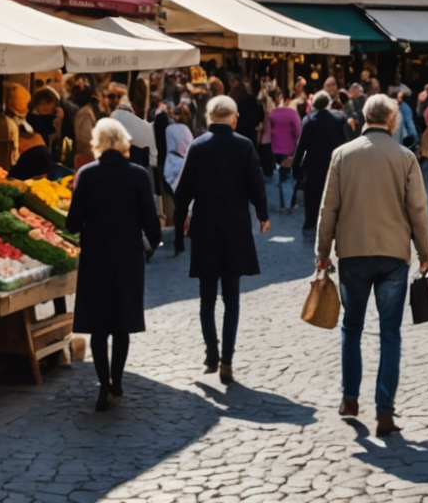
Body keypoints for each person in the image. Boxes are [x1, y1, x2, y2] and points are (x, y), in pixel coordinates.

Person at [315, 94, 428, 438]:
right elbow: (418, 210)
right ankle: (384, 411)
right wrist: (425, 252)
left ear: (364, 118)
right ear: (392, 120)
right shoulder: (405, 157)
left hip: (353, 253)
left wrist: (323, 252)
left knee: (352, 327)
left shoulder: (343, 155)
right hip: (393, 255)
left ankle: (350, 399)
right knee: (390, 334)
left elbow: (328, 208)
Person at [172, 97, 270, 386]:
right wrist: (263, 215)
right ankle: (227, 360)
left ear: (208, 117)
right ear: (234, 118)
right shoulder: (244, 145)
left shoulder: (198, 146)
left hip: (205, 229)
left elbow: (182, 192)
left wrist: (180, 222)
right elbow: (256, 184)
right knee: (231, 298)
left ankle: (211, 354)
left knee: (206, 298)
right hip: (235, 229)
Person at [71, 118, 163, 412]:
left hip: (96, 257)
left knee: (99, 325)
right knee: (121, 322)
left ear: (97, 142)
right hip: (127, 256)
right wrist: (153, 242)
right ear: (123, 141)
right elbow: (150, 220)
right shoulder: (137, 174)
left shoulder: (86, 174)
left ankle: (103, 385)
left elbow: (73, 222)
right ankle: (117, 382)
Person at [294, 92, 349, 238]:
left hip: (312, 165)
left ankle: (310, 223)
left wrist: (296, 166)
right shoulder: (339, 119)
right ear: (328, 103)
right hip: (332, 164)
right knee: (331, 196)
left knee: (312, 196)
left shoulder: (308, 120)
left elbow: (301, 146)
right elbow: (345, 142)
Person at [267, 90, 302, 211]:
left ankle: (281, 202)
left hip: (275, 148)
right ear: (288, 101)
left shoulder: (271, 113)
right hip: (289, 148)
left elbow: (268, 131)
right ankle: (289, 203)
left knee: (280, 176)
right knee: (289, 177)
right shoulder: (292, 114)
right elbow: (298, 132)